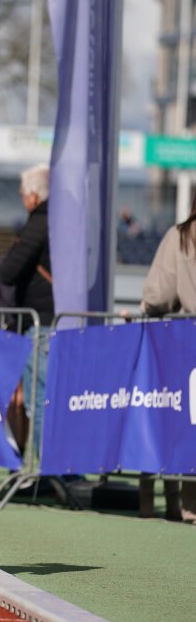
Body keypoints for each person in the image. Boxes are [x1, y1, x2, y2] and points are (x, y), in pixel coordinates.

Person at [0, 164, 53, 458]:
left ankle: (45, 468)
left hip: (42, 320)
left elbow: (8, 270)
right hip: (56, 319)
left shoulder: (39, 222)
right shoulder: (63, 219)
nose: (22, 199)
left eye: (22, 194)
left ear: (33, 196)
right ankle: (54, 467)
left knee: (39, 399)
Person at [140, 194, 196, 524]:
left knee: (169, 416)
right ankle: (186, 504)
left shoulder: (181, 236)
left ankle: (162, 501)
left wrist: (148, 307)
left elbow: (159, 293)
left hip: (182, 340)